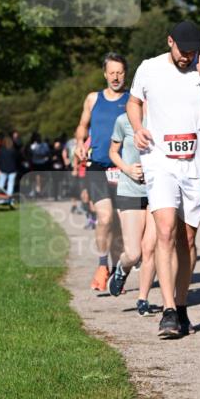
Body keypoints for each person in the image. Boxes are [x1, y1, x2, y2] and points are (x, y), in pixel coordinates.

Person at [127, 19, 200, 338]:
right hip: (160, 161)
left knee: (187, 240)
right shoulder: (149, 68)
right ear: (169, 41)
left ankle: (182, 306)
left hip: (197, 164)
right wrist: (138, 127)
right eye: (182, 50)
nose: (187, 56)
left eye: (193, 51)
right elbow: (133, 103)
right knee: (165, 230)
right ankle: (168, 309)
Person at [74, 53, 129, 291]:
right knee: (105, 217)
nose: (115, 77)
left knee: (119, 223)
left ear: (125, 74)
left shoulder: (133, 101)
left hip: (124, 168)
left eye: (120, 72)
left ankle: (117, 271)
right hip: (97, 166)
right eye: (112, 72)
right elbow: (82, 126)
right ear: (104, 74)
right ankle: (101, 265)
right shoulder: (93, 99)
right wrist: (78, 143)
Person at [107, 111, 157, 313]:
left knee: (150, 248)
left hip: (157, 189)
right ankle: (122, 268)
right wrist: (127, 169)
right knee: (134, 253)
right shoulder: (123, 119)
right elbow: (112, 152)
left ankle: (143, 299)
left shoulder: (162, 115)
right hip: (130, 189)